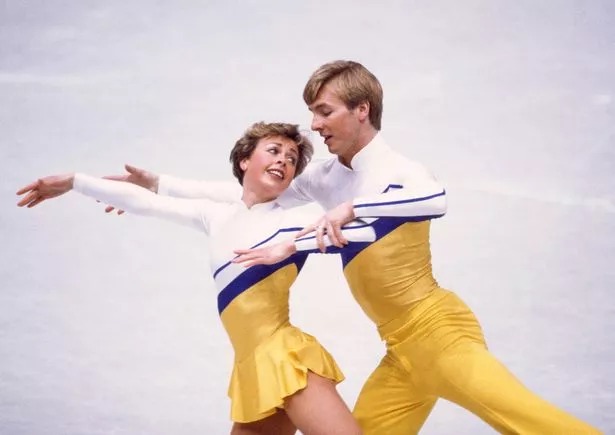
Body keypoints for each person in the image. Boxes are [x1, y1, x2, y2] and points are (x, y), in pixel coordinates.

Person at [108, 61, 601, 434]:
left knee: (534, 422)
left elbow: (436, 199)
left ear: (360, 110)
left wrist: (352, 208)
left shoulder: (398, 170)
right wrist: (160, 185)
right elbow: (252, 196)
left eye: (325, 111)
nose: (316, 125)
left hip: (440, 335)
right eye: (314, 114)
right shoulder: (324, 176)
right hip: (400, 354)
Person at [16, 122, 370, 435]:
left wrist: (319, 229)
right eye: (274, 151)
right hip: (251, 366)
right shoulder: (214, 215)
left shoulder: (297, 219)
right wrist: (75, 182)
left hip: (286, 358)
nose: (283, 161)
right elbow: (147, 203)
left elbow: (366, 231)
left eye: (292, 159)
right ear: (245, 160)